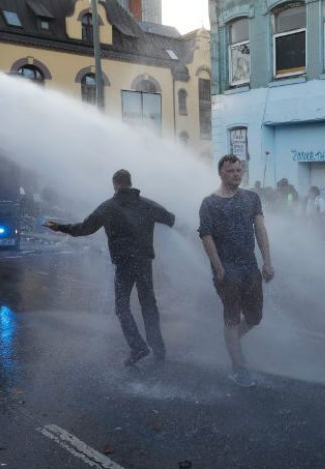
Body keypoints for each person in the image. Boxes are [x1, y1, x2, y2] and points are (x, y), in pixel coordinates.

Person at [44, 169, 175, 366]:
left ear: (114, 184)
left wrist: (60, 227)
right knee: (149, 304)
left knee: (122, 307)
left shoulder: (108, 208)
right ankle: (159, 349)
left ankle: (138, 347)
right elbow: (170, 219)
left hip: (124, 264)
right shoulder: (147, 205)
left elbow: (83, 229)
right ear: (130, 183)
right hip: (143, 262)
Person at [199, 155, 275, 387]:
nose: (236, 174)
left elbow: (260, 230)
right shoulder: (209, 202)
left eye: (239, 170)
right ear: (221, 173)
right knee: (232, 318)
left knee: (254, 317)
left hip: (249, 266)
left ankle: (230, 341)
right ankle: (238, 367)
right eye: (231, 171)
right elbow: (206, 235)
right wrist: (218, 267)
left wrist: (268, 261)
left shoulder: (252, 198)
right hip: (226, 269)